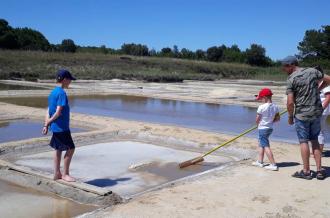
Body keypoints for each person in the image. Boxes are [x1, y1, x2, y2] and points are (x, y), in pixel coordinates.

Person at [281, 55, 328, 180]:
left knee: (303, 141)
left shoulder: (291, 79)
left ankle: (306, 171)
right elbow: (329, 79)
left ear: (290, 65)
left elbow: (290, 102)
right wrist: (319, 89)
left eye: (284, 67)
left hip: (302, 114)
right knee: (315, 140)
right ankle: (319, 171)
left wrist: (290, 116)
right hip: (316, 112)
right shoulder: (312, 71)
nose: (284, 70)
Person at [42, 69, 76, 182]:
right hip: (62, 128)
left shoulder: (53, 92)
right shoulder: (61, 93)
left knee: (58, 149)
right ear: (65, 79)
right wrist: (48, 123)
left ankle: (57, 173)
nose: (71, 81)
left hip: (55, 128)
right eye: (70, 79)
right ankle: (65, 174)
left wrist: (46, 124)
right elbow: (58, 112)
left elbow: (48, 110)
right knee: (71, 149)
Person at [252, 88, 280, 171]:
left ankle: (273, 164)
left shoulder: (261, 107)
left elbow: (257, 118)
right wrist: (270, 122)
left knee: (266, 145)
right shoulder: (275, 106)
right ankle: (260, 162)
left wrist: (257, 124)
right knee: (261, 144)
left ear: (265, 97)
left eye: (261, 98)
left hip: (263, 128)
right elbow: (277, 118)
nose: (260, 100)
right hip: (270, 128)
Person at [318, 79, 330, 154]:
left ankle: (318, 152)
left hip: (323, 111)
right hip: (322, 111)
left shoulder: (325, 84)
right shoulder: (317, 84)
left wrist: (321, 109)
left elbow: (328, 97)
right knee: (325, 129)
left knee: (319, 131)